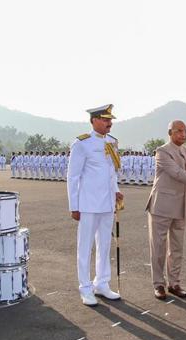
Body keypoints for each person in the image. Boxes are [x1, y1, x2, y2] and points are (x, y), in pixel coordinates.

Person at [67, 104, 123, 306]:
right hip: (88, 204)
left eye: (111, 120)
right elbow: (73, 177)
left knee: (105, 245)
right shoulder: (82, 143)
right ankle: (85, 288)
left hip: (107, 203)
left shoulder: (112, 142)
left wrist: (116, 189)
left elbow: (111, 171)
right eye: (106, 119)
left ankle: (102, 283)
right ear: (94, 120)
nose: (110, 123)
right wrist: (74, 205)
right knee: (85, 247)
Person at [146, 120, 186, 300]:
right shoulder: (163, 151)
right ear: (170, 133)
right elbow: (177, 173)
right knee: (158, 247)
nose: (183, 134)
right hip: (162, 207)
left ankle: (174, 283)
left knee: (176, 248)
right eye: (179, 131)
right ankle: (158, 284)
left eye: (185, 131)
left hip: (181, 207)